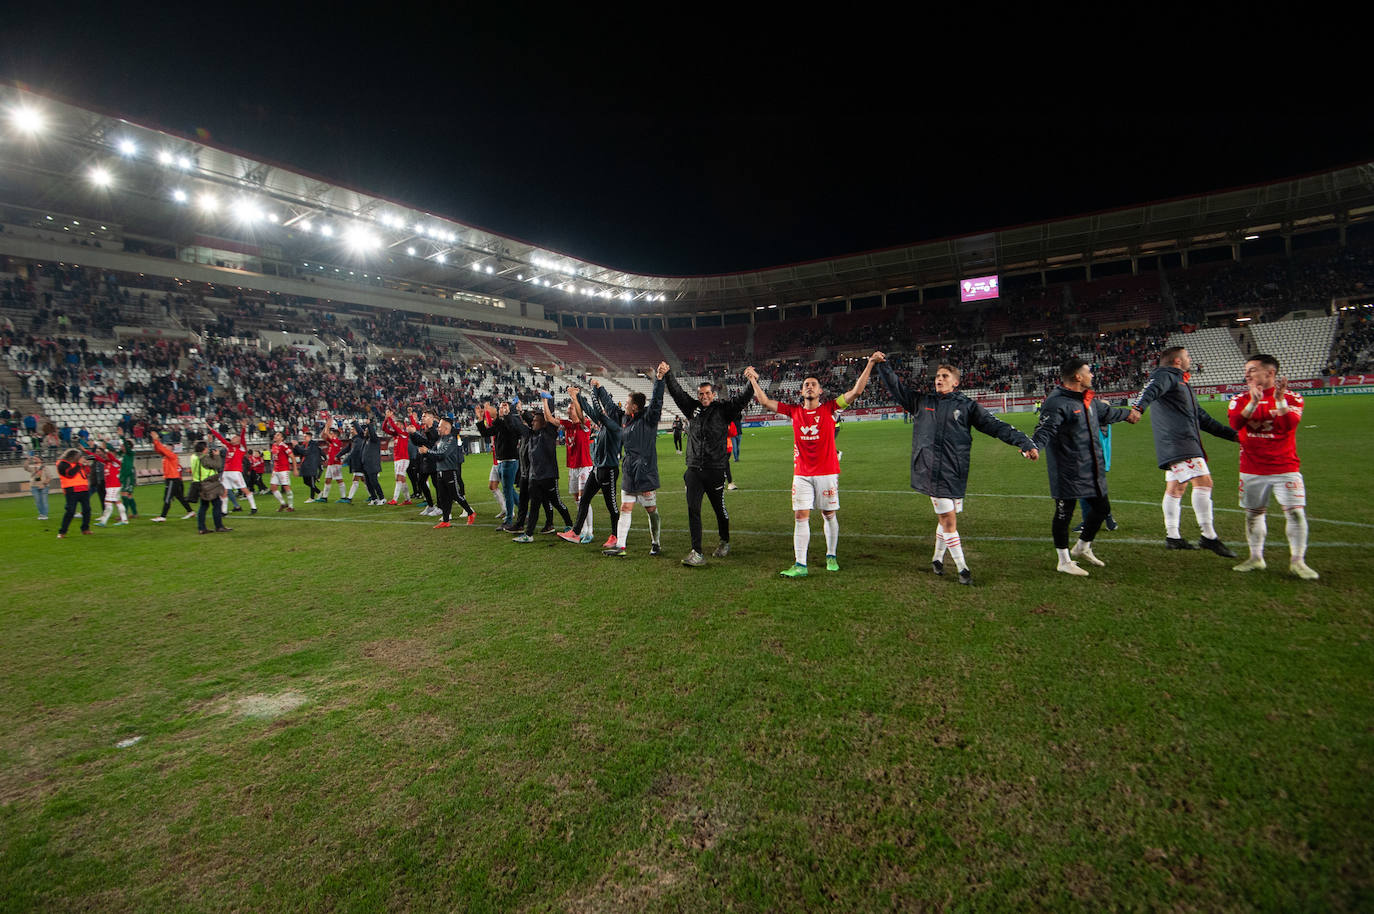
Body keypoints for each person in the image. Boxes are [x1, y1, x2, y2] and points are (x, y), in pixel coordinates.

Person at [876, 355, 1039, 585]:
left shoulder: (967, 406)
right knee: (949, 520)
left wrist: (1024, 442)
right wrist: (882, 365)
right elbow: (896, 387)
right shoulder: (921, 401)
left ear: (956, 382)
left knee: (947, 518)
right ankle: (963, 569)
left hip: (955, 470)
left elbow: (996, 426)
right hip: (930, 469)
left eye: (944, 376)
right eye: (937, 376)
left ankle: (937, 558)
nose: (939, 379)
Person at [743, 352, 880, 577]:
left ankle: (831, 555)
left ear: (820, 391)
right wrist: (752, 380)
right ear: (801, 391)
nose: (809, 387)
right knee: (800, 516)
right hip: (802, 473)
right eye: (806, 384)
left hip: (826, 472)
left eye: (813, 385)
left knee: (828, 514)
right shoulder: (794, 411)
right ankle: (800, 564)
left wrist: (870, 363)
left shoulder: (831, 408)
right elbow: (765, 402)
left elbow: (856, 391)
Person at [1127, 346, 1238, 555]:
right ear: (1177, 360)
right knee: (1204, 483)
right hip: (1180, 443)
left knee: (1176, 488)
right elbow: (1151, 388)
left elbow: (1202, 418)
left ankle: (1173, 537)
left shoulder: (1181, 383)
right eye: (1187, 356)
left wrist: (1233, 435)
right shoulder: (1166, 375)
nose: (1190, 359)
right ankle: (1209, 536)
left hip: (1178, 442)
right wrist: (1138, 408)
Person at [1032, 358, 1133, 576]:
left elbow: (1107, 413)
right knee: (1064, 514)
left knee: (1102, 508)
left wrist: (1128, 414)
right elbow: (1044, 429)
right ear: (1078, 377)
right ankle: (1063, 560)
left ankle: (1082, 546)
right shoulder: (1056, 402)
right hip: (1067, 469)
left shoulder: (1088, 400)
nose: (1092, 375)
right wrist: (1034, 447)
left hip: (1091, 467)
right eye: (1089, 372)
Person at [1227, 355, 1318, 579]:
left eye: (1252, 370)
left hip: (1285, 466)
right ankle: (1256, 558)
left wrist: (1279, 401)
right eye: (1246, 370)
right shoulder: (1239, 399)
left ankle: (1298, 561)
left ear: (1270, 373)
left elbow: (1288, 426)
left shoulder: (1292, 398)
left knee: (1296, 513)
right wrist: (1253, 402)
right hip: (1251, 468)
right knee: (1254, 514)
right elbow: (1235, 424)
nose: (1247, 374)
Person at [661, 362, 753, 567]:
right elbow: (677, 393)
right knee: (693, 509)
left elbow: (741, 401)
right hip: (693, 469)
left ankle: (724, 540)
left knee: (719, 509)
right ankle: (697, 552)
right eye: (701, 394)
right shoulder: (691, 408)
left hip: (715, 470)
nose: (704, 397)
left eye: (707, 393)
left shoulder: (723, 410)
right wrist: (668, 374)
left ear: (714, 394)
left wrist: (751, 382)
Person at [583, 372, 665, 557]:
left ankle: (656, 542)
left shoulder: (648, 419)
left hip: (645, 473)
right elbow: (611, 407)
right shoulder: (624, 419)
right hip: (629, 471)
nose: (624, 405)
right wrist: (599, 388)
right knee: (625, 508)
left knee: (651, 511)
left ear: (634, 407)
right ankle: (620, 546)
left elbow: (657, 402)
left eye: (627, 403)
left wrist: (659, 380)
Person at [560, 384, 623, 546]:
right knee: (584, 499)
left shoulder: (614, 427)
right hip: (597, 469)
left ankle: (615, 536)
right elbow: (589, 409)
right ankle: (575, 532)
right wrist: (577, 396)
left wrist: (594, 390)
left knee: (612, 505)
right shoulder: (604, 424)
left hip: (609, 470)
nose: (605, 411)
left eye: (608, 411)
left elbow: (595, 409)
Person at [507, 399, 574, 542]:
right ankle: (529, 534)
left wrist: (545, 401)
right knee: (535, 506)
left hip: (549, 477)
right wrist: (514, 411)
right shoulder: (531, 434)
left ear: (543, 422)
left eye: (536, 420)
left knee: (557, 503)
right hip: (534, 477)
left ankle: (570, 525)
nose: (533, 423)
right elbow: (520, 425)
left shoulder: (550, 432)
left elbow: (548, 418)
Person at [416, 416, 476, 528]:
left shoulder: (451, 440)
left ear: (446, 428)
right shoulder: (440, 440)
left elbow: (442, 454)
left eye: (439, 426)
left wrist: (427, 451)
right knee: (443, 497)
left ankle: (470, 512)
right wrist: (424, 449)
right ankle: (446, 520)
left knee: (456, 495)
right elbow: (433, 451)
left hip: (449, 471)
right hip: (439, 471)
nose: (438, 428)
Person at [477, 401, 520, 528]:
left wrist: (495, 415)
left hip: (509, 461)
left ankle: (508, 520)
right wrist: (480, 418)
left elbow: (507, 427)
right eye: (500, 406)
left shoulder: (511, 421)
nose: (501, 408)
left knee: (507, 491)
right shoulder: (500, 423)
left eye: (504, 406)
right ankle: (524, 513)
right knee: (509, 490)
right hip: (501, 461)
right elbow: (486, 433)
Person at [209, 422, 258, 515]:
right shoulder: (229, 446)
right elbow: (220, 438)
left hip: (236, 472)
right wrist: (211, 429)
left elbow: (243, 438)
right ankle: (223, 511)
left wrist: (243, 428)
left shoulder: (241, 448)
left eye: (235, 438)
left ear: (238, 441)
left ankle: (253, 507)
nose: (232, 438)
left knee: (244, 489)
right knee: (224, 491)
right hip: (226, 472)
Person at [150, 430, 193, 521]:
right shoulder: (166, 455)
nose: (166, 447)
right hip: (172, 479)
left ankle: (163, 516)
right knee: (179, 497)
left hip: (172, 479)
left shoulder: (172, 455)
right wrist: (155, 441)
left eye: (168, 446)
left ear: (171, 448)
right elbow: (158, 449)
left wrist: (157, 440)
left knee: (167, 497)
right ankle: (190, 511)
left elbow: (161, 449)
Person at [191, 440, 231, 534]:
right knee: (217, 504)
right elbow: (217, 465)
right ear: (204, 449)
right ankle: (218, 526)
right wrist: (217, 456)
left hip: (199, 482)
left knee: (204, 506)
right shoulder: (203, 457)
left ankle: (202, 528)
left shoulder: (194, 456)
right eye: (206, 448)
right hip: (208, 484)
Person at [86, 443, 128, 527]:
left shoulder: (115, 462)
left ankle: (103, 521)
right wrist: (86, 451)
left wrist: (106, 450)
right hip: (111, 486)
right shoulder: (107, 462)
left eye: (108, 454)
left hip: (113, 486)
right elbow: (97, 457)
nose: (106, 456)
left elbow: (111, 457)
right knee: (117, 502)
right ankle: (124, 520)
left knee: (107, 503)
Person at [55, 447, 92, 538]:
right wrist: (79, 464)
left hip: (83, 489)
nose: (80, 458)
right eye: (78, 456)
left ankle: (85, 529)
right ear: (72, 456)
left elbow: (87, 473)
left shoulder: (78, 464)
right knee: (70, 511)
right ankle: (62, 532)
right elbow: (70, 474)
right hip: (71, 490)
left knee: (87, 510)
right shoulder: (62, 464)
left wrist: (86, 464)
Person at [381, 410, 412, 505]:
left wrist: (390, 417)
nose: (396, 425)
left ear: (403, 426)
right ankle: (408, 500)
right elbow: (384, 428)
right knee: (401, 479)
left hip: (403, 459)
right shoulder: (396, 435)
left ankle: (395, 499)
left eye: (398, 424)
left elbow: (394, 427)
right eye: (397, 424)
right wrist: (386, 419)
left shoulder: (404, 433)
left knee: (398, 478)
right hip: (397, 459)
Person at [268, 430, 297, 511]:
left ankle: (291, 506)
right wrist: (273, 470)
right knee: (273, 488)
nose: (275, 436)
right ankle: (283, 504)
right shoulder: (273, 445)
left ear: (282, 438)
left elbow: (292, 457)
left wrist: (295, 469)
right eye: (275, 435)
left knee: (286, 487)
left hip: (283, 470)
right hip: (276, 470)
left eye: (277, 435)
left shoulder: (284, 446)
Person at [293, 429, 324, 502]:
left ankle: (312, 497)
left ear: (309, 437)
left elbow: (305, 452)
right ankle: (319, 492)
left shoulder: (313, 445)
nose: (304, 438)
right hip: (305, 466)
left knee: (311, 482)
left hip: (311, 465)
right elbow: (297, 452)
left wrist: (297, 446)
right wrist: (295, 447)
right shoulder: (304, 445)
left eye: (305, 436)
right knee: (306, 482)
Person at [118, 439, 139, 518]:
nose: (121, 447)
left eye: (123, 446)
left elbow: (127, 448)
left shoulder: (130, 453)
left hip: (128, 476)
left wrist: (122, 437)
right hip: (125, 476)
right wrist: (105, 442)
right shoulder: (123, 454)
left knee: (124, 493)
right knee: (129, 495)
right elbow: (113, 450)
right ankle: (135, 513)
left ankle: (124, 514)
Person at [26, 453, 50, 520]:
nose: (35, 459)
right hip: (34, 486)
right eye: (34, 458)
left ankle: (45, 514)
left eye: (37, 457)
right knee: (38, 501)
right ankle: (41, 514)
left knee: (44, 501)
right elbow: (25, 467)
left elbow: (49, 477)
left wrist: (44, 484)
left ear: (41, 460)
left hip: (44, 487)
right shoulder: (33, 468)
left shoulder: (45, 468)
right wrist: (27, 460)